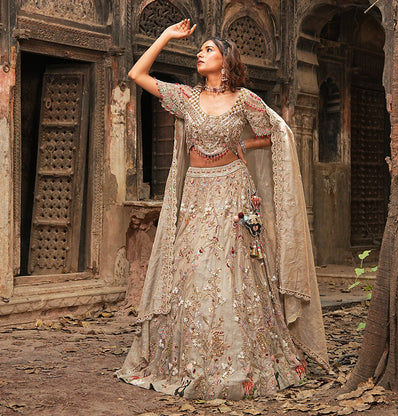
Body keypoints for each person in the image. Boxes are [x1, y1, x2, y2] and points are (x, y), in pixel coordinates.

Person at [116, 19, 329, 400]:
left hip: (233, 191)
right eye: (200, 50)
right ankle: (186, 359)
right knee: (190, 269)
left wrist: (246, 148)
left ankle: (243, 361)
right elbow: (137, 73)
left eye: (208, 49)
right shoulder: (186, 98)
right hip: (196, 193)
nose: (200, 53)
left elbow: (275, 134)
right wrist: (166, 36)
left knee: (236, 273)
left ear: (226, 61)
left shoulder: (246, 100)